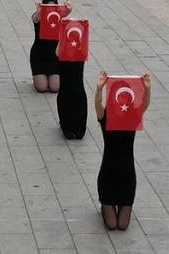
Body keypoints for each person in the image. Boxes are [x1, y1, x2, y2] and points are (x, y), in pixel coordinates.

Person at [95, 71, 151, 231]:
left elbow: (145, 104)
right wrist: (99, 88)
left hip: (127, 176)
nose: (123, 100)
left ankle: (121, 203)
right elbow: (97, 105)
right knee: (112, 225)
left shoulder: (132, 116)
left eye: (126, 97)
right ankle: (104, 203)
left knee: (123, 225)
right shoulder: (105, 117)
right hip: (108, 175)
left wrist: (147, 88)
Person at [30, 0, 71, 93]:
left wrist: (68, 8)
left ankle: (51, 77)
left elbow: (67, 12)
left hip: (54, 58)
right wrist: (40, 11)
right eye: (47, 6)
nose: (50, 9)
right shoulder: (39, 17)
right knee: (42, 88)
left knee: (54, 88)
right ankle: (38, 78)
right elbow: (36, 18)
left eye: (53, 7)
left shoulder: (58, 17)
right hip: (39, 57)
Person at [55, 26, 87, 140]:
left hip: (78, 83)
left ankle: (80, 125)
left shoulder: (80, 46)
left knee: (78, 95)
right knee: (65, 94)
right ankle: (66, 125)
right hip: (66, 83)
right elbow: (57, 53)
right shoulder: (63, 46)